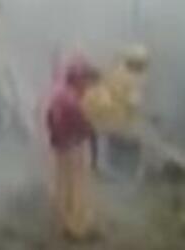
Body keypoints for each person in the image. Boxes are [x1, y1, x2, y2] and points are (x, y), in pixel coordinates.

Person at [45, 57, 101, 243]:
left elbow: (50, 120)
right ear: (78, 79)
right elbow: (86, 128)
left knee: (63, 187)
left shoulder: (60, 93)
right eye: (85, 79)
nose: (88, 85)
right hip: (72, 147)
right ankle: (78, 230)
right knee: (77, 189)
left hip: (61, 146)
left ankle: (64, 225)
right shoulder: (72, 101)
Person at [82, 45, 149, 180]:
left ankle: (106, 172)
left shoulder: (116, 71)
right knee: (126, 151)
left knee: (110, 147)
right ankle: (123, 179)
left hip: (107, 118)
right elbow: (133, 103)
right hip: (122, 122)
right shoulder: (134, 79)